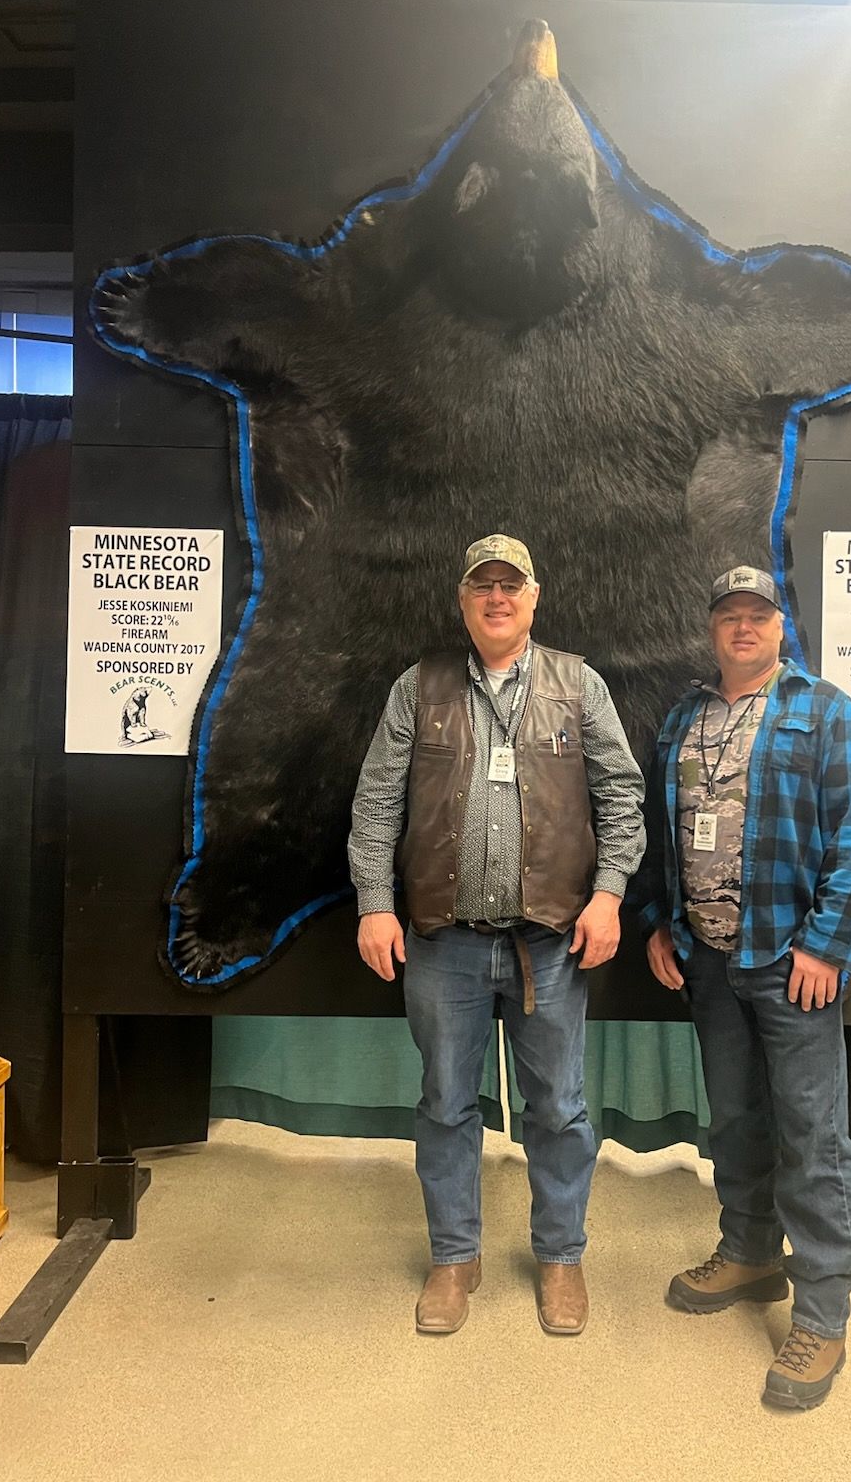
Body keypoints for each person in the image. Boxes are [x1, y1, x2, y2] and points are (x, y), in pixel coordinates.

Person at [349, 533, 645, 1337]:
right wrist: (375, 902)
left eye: (511, 585)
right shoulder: (419, 687)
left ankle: (561, 1256)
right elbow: (377, 802)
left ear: (534, 597)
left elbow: (622, 798)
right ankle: (454, 1257)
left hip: (551, 941)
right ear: (463, 600)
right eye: (483, 585)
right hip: (443, 940)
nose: (497, 597)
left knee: (560, 1108)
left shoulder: (579, 685)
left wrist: (609, 895)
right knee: (445, 1104)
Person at [639, 564, 851, 1410]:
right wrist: (663, 923)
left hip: (791, 962)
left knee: (812, 1135)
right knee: (736, 1121)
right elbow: (665, 831)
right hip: (709, 961)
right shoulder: (685, 717)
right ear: (712, 628)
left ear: (782, 627)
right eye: (729, 616)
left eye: (758, 615)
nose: (743, 627)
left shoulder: (826, 711)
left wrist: (827, 945)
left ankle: (823, 1315)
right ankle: (749, 1254)